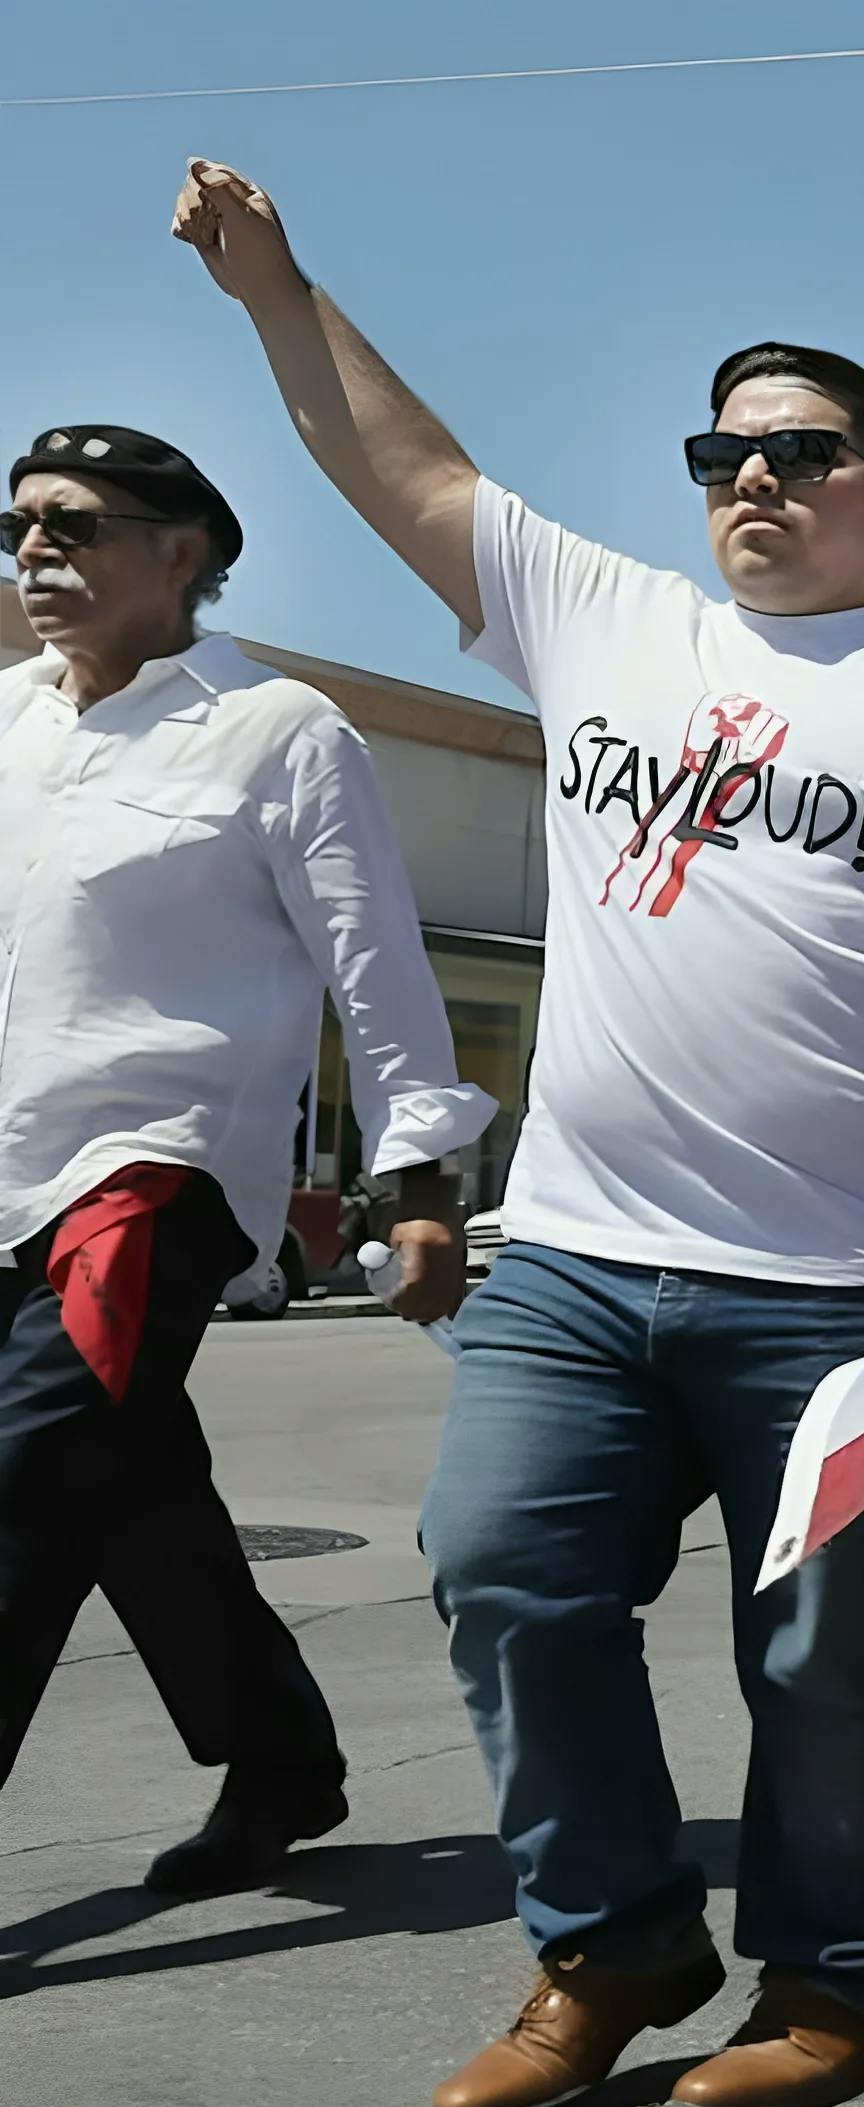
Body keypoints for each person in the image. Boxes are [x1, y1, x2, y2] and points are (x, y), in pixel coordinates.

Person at [179, 158, 864, 2107]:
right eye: (722, 446)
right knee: (500, 1565)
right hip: (574, 1255)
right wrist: (276, 291)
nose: (752, 475)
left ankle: (835, 1982)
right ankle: (612, 1944)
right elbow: (403, 466)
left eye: (804, 451)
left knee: (826, 1654)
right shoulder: (601, 617)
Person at [0, 425, 488, 1893]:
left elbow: (375, 961)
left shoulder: (278, 728)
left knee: (22, 1487)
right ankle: (281, 1760)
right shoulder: (10, 718)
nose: (37, 554)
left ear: (182, 552)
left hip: (154, 1179)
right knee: (132, 1487)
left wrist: (418, 1181)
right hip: (10, 1170)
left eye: (75, 527)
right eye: (18, 526)